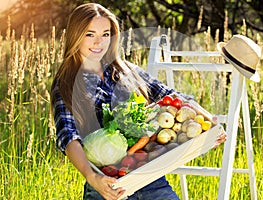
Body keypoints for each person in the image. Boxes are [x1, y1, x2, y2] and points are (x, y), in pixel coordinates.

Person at [50, 3, 226, 200]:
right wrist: (92, 178)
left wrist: (210, 122)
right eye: (90, 34)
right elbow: (68, 136)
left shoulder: (126, 70)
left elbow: (171, 95)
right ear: (76, 36)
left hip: (150, 178)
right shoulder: (67, 83)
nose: (99, 42)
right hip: (108, 185)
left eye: (106, 34)